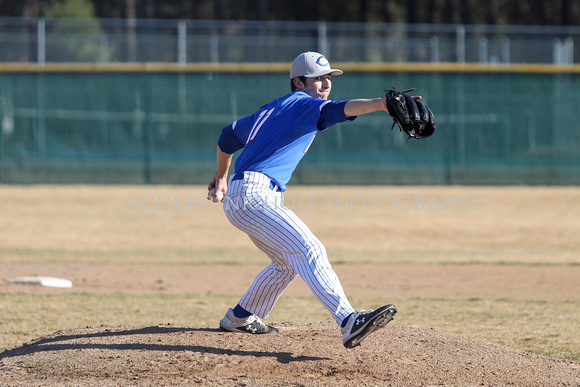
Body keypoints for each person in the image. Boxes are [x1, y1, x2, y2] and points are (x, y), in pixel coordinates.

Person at [208, 51, 404, 349]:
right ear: (298, 82)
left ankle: (240, 317)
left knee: (286, 263)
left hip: (248, 195)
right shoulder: (302, 104)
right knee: (309, 248)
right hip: (253, 195)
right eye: (318, 78)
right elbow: (336, 111)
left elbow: (227, 136)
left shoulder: (273, 109)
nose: (325, 84)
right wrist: (380, 104)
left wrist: (221, 176)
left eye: (328, 77)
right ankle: (349, 320)